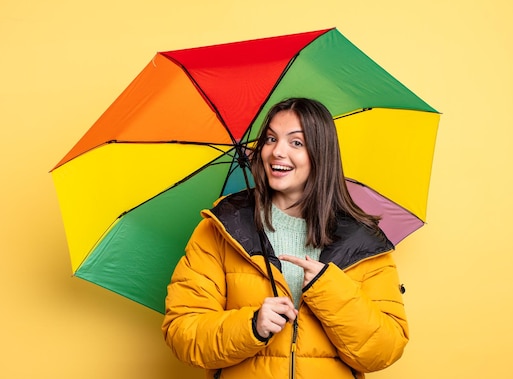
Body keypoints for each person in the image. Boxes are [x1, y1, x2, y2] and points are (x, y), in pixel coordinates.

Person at [162, 98, 409, 379]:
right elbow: (183, 333)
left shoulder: (362, 241)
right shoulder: (221, 229)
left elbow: (384, 351)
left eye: (296, 143)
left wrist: (329, 290)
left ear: (321, 153)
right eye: (270, 139)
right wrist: (251, 325)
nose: (277, 152)